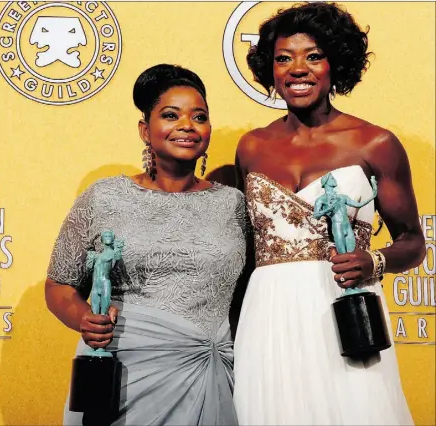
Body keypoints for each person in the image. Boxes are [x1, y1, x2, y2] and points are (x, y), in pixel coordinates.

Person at [232, 3, 425, 425]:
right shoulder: (251, 147)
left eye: (313, 56)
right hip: (268, 314)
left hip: (347, 307)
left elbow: (413, 242)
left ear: (335, 62)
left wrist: (373, 260)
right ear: (270, 69)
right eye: (284, 58)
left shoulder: (375, 143)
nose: (298, 69)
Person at [45, 64, 246, 426]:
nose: (187, 125)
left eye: (199, 117)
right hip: (123, 373)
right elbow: (60, 284)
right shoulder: (104, 198)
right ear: (145, 130)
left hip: (209, 375)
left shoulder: (234, 204)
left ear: (208, 131)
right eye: (171, 115)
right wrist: (84, 320)